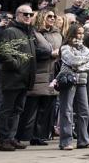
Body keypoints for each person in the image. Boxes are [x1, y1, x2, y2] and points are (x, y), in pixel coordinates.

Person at [0, 4, 39, 151]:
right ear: (18, 15)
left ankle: (11, 138)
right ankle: (3, 139)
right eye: (25, 14)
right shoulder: (11, 31)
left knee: (17, 109)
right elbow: (5, 52)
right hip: (13, 77)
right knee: (7, 109)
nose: (28, 17)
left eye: (30, 15)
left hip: (25, 77)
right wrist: (17, 64)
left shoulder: (29, 32)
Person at [21, 8, 61, 146]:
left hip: (52, 75)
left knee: (46, 108)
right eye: (49, 16)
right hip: (38, 74)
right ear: (42, 17)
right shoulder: (34, 32)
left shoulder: (57, 34)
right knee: (32, 108)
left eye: (54, 16)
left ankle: (40, 135)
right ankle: (26, 135)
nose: (52, 18)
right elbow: (32, 51)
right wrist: (50, 54)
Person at [57, 23, 89, 150]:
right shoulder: (65, 47)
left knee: (84, 111)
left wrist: (79, 67)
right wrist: (82, 61)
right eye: (78, 33)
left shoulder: (84, 48)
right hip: (68, 80)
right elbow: (72, 60)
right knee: (67, 111)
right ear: (72, 33)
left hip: (82, 81)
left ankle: (83, 140)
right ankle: (65, 141)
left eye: (82, 33)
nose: (81, 35)